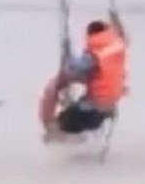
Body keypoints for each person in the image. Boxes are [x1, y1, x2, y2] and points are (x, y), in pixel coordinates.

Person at [48, 10, 128, 139]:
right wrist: (115, 19)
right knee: (77, 106)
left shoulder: (95, 54)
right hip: (110, 104)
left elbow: (72, 68)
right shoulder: (118, 47)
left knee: (59, 124)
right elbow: (123, 37)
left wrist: (67, 51)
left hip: (93, 109)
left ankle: (65, 150)